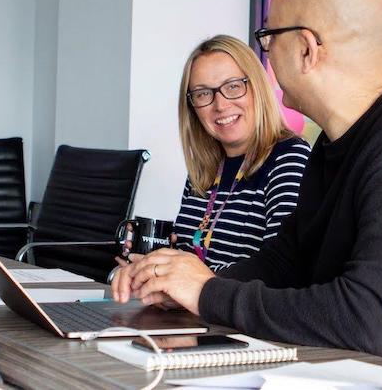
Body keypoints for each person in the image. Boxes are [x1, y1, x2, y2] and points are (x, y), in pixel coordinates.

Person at [112, 0, 382, 373]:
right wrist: (183, 283)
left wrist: (208, 293)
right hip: (341, 369)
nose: (266, 56)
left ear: (305, 49)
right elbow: (288, 260)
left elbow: (366, 320)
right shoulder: (340, 142)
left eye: (268, 39)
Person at [120, 35, 310, 271]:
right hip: (191, 308)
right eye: (202, 94)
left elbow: (283, 270)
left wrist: (191, 283)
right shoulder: (205, 169)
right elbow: (192, 253)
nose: (220, 105)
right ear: (192, 108)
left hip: (234, 308)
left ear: (257, 89)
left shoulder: (289, 158)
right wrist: (154, 259)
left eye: (233, 86)